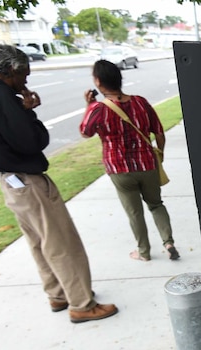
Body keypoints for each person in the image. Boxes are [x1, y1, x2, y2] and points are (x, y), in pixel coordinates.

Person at [0, 44, 118, 324]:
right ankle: (82, 304)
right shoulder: (1, 96)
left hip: (9, 181)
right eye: (24, 75)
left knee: (38, 241)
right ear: (12, 70)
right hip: (29, 180)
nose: (26, 81)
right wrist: (29, 111)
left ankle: (58, 293)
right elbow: (34, 141)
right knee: (61, 242)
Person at [79, 60, 179, 262]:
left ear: (98, 81)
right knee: (156, 204)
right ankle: (168, 243)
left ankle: (143, 252)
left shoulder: (98, 109)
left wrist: (88, 105)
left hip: (119, 168)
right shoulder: (141, 102)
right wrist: (160, 155)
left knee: (135, 212)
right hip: (147, 164)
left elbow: (85, 132)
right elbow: (159, 133)